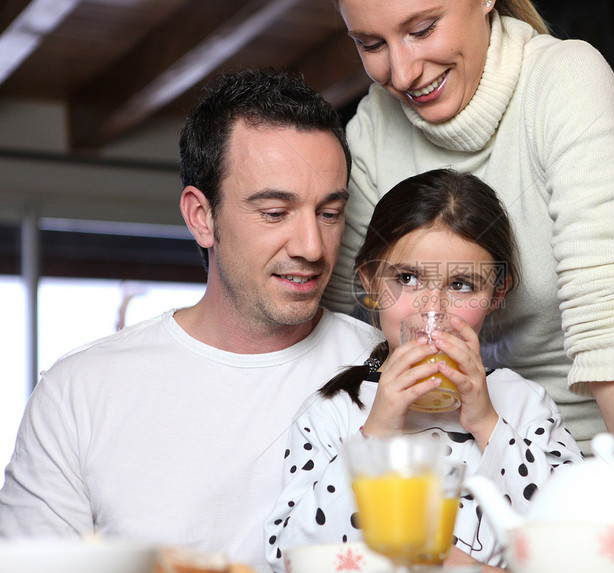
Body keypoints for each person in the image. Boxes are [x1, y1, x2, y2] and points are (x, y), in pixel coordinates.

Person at [0, 69, 382, 573]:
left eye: (329, 213)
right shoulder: (78, 393)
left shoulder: (389, 371)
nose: (311, 247)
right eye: (274, 213)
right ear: (202, 216)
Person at [322, 0, 614, 469]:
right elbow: (330, 315)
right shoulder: (374, 126)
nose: (404, 73)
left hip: (612, 450)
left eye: (424, 29)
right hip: (483, 464)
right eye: (371, 45)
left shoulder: (565, 80)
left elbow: (607, 313)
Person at [264, 169, 583, 572]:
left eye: (462, 284)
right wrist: (376, 432)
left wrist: (487, 422)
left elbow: (579, 539)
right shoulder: (335, 412)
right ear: (371, 283)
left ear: (496, 294)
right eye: (408, 278)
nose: (433, 309)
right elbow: (287, 559)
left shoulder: (522, 405)